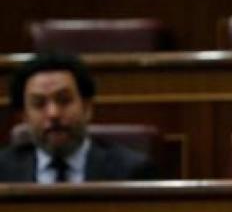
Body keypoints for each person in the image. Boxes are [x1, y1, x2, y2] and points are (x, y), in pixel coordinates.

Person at [0, 52, 157, 183]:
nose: (53, 113)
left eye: (64, 100)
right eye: (39, 103)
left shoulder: (129, 171)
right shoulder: (3, 172)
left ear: (87, 107)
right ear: (24, 117)